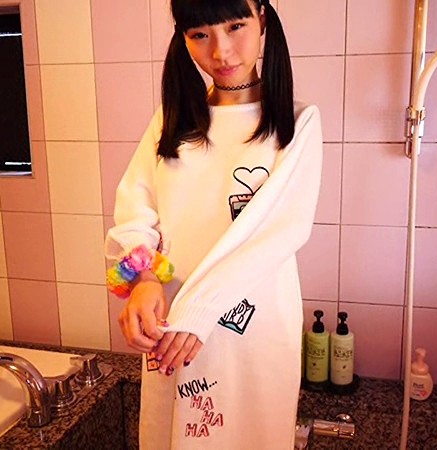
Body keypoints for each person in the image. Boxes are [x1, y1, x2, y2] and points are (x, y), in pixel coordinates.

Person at [104, 0, 322, 447]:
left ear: (262, 18)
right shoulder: (171, 121)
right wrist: (143, 279)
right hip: (172, 332)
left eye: (236, 26)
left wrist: (196, 312)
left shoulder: (298, 122)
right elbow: (136, 208)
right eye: (200, 35)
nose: (220, 52)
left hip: (253, 335)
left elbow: (275, 232)